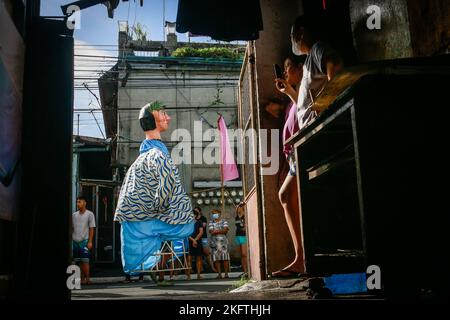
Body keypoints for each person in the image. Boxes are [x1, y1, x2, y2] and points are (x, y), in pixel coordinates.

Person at [114, 101, 195, 280]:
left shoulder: (142, 158)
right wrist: (160, 209)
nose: (168, 117)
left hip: (134, 220)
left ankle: (155, 258)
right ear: (153, 119)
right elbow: (165, 187)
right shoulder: (158, 155)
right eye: (163, 113)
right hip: (147, 219)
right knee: (187, 223)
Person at [271, 54, 306, 278]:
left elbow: (305, 111)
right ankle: (301, 258)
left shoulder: (304, 91)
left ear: (301, 68)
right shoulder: (294, 95)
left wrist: (289, 93)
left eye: (288, 68)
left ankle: (301, 259)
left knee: (286, 197)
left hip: (302, 151)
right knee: (287, 197)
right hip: (292, 156)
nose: (285, 73)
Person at [72, 196, 96, 285]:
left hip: (84, 241)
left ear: (85, 203)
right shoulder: (74, 215)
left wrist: (90, 241)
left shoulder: (90, 214)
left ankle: (88, 279)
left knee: (85, 261)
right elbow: (72, 228)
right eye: (77, 202)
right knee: (78, 261)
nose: (78, 203)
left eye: (80, 202)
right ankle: (81, 279)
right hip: (75, 241)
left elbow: (91, 228)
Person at [208, 209, 230, 279]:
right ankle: (219, 274)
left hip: (223, 243)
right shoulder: (211, 222)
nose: (215, 215)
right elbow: (211, 231)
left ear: (219, 214)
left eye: (216, 213)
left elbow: (226, 230)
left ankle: (226, 274)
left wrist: (216, 231)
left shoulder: (224, 221)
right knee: (216, 259)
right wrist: (221, 230)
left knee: (225, 258)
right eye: (213, 213)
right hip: (214, 243)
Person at [194, 207, 216, 272]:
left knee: (207, 252)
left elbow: (203, 226)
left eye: (196, 211)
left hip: (203, 237)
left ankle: (212, 267)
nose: (195, 212)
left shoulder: (203, 218)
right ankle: (200, 269)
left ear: (200, 212)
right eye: (194, 211)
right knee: (197, 254)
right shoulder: (192, 219)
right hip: (195, 238)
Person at [188, 209, 205, 279]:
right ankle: (188, 276)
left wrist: (195, 240)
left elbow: (201, 232)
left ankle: (198, 274)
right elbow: (186, 233)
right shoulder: (187, 223)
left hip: (197, 241)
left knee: (198, 258)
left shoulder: (199, 222)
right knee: (189, 258)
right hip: (189, 241)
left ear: (195, 215)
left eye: (192, 214)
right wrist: (192, 240)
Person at [234, 202, 248, 276]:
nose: (237, 208)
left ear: (242, 208)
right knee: (241, 255)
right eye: (236, 207)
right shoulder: (237, 216)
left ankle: (248, 270)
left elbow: (247, 227)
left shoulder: (245, 215)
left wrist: (244, 228)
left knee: (244, 254)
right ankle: (245, 271)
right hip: (238, 235)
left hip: (244, 236)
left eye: (238, 207)